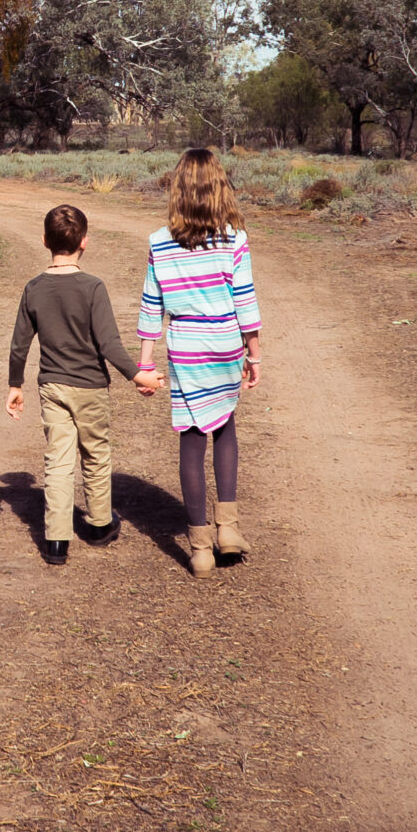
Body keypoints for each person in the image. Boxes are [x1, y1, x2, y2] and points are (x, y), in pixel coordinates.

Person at [7, 203, 164, 566]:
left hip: (52, 388)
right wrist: (137, 374)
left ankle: (56, 541)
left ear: (45, 240)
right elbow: (108, 344)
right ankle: (98, 526)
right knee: (95, 454)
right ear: (85, 242)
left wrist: (16, 386)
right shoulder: (93, 287)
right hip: (91, 387)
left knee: (58, 462)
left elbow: (19, 344)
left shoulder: (34, 289)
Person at [137, 149, 263, 577]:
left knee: (191, 442)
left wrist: (145, 363)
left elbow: (152, 305)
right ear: (219, 188)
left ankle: (200, 548)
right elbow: (244, 299)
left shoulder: (158, 242)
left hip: (186, 346)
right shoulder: (234, 239)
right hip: (225, 343)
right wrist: (255, 353)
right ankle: (227, 530)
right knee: (225, 427)